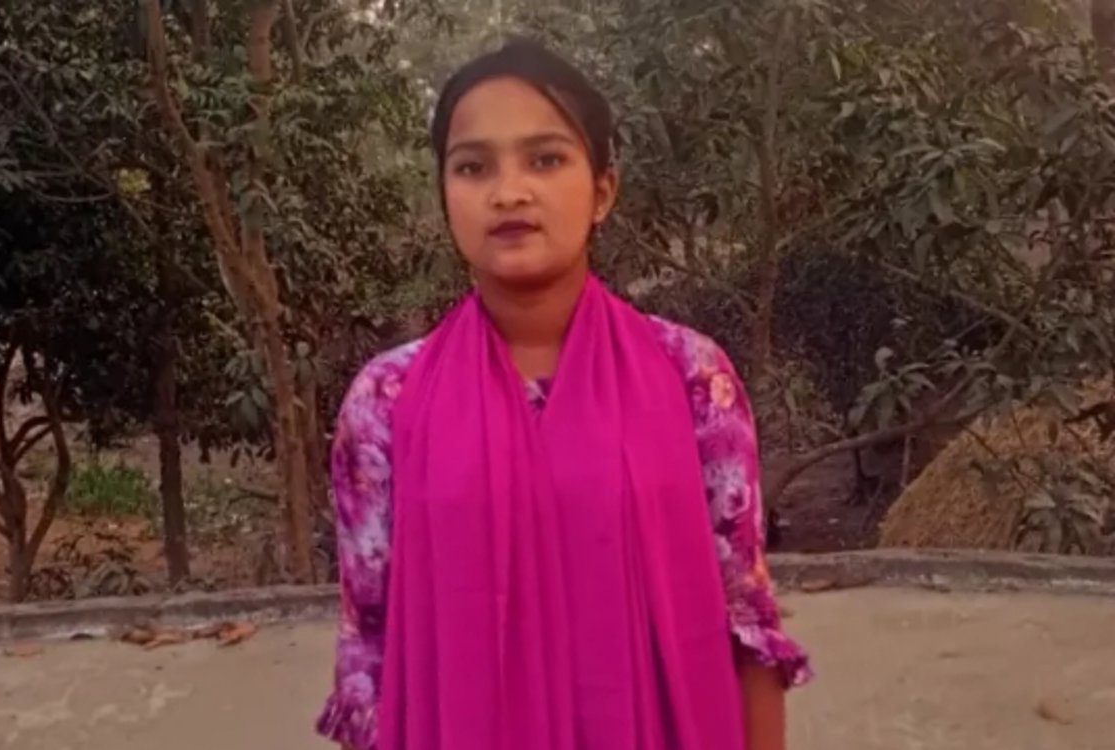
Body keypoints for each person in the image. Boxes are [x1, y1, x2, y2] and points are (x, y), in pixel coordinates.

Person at [317, 38, 809, 750]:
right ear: (444, 194)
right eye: (473, 166)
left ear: (603, 190)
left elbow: (746, 616)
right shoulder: (387, 401)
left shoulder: (692, 377)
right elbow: (369, 647)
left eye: (545, 160)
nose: (508, 192)